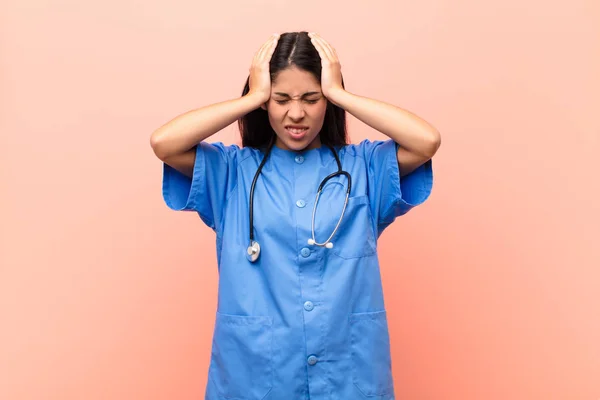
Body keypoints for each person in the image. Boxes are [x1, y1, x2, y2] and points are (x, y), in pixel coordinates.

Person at [150, 31, 440, 400]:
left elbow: (426, 140)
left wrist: (342, 95)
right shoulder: (233, 172)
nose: (296, 113)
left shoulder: (363, 167)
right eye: (281, 99)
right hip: (254, 378)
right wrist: (253, 97)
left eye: (312, 98)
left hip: (347, 378)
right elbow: (164, 142)